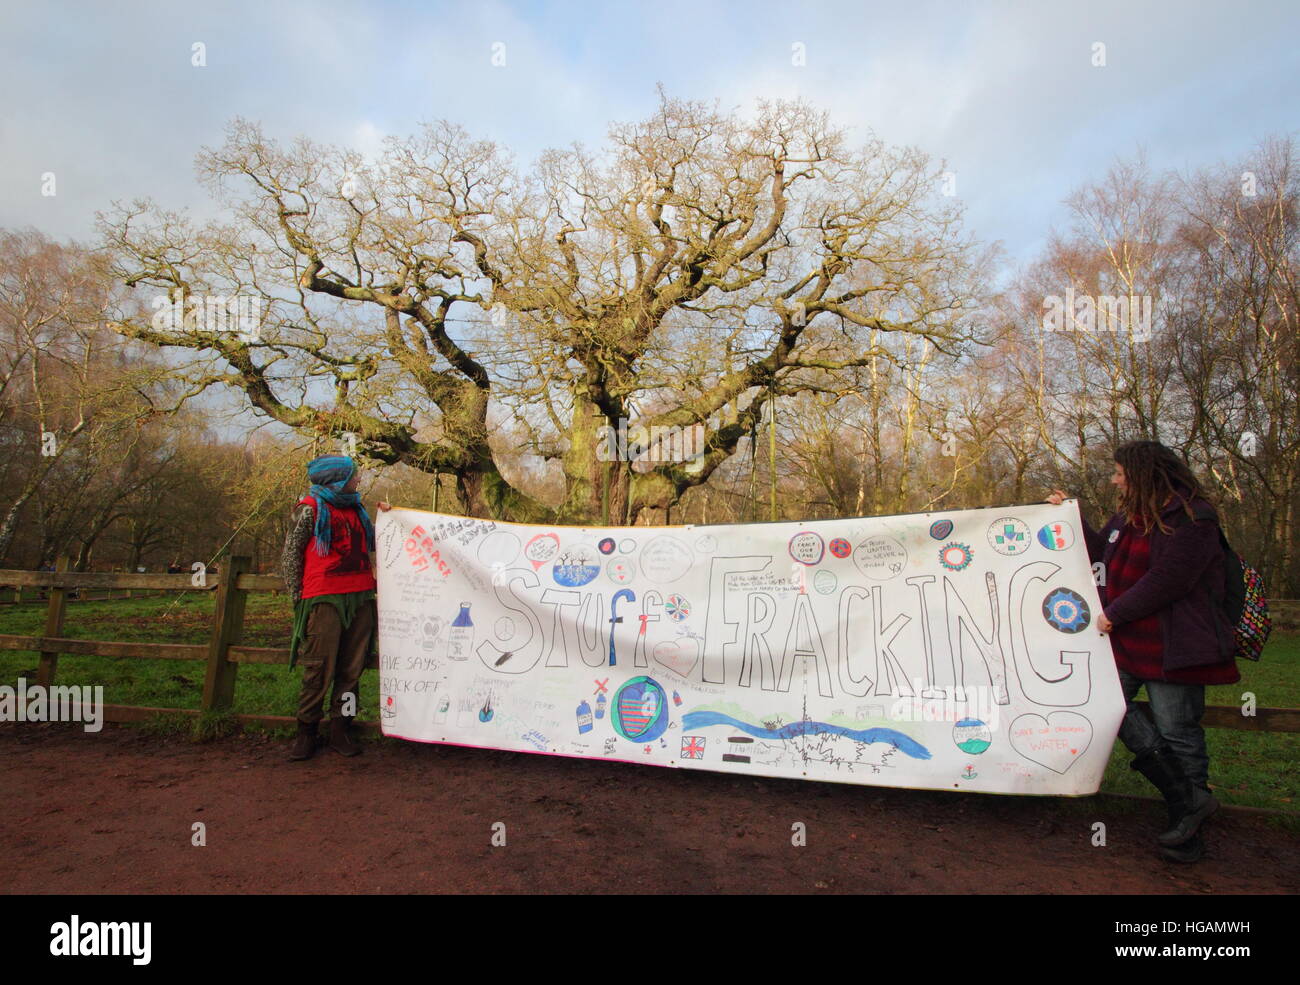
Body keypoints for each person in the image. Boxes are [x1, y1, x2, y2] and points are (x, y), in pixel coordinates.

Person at [1048, 440, 1238, 863]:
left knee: (1178, 731)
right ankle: (1189, 801)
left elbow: (1171, 579)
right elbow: (1103, 556)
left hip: (1175, 644)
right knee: (1105, 702)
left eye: (1119, 472)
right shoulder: (1128, 518)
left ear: (1142, 473)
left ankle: (1186, 821)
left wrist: (1116, 612)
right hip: (1132, 639)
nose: (1114, 479)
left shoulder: (1193, 517)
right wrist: (1071, 517)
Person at [281, 455, 391, 761]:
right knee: (318, 668)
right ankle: (306, 732)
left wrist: (390, 520)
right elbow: (291, 555)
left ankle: (341, 729)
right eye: (354, 476)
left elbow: (373, 544)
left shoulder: (357, 510)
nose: (358, 481)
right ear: (337, 480)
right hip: (324, 599)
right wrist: (297, 598)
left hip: (360, 597)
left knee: (351, 671)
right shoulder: (310, 509)